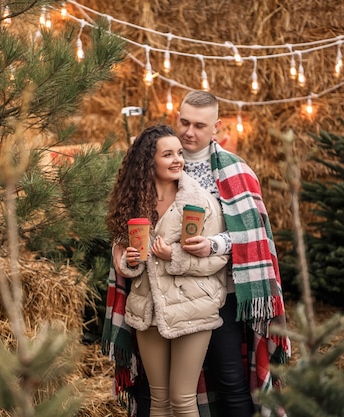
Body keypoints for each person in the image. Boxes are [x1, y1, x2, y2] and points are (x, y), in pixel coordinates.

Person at [176, 90, 291, 416]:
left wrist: (214, 244)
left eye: (200, 125)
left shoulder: (235, 170)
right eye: (184, 122)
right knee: (171, 386)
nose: (189, 132)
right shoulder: (162, 161)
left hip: (222, 292)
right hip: (171, 291)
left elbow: (252, 233)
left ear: (217, 127)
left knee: (229, 376)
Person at [104, 124, 229, 417]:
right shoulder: (133, 205)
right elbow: (123, 259)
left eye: (179, 153)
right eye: (168, 154)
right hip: (148, 310)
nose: (178, 160)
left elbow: (216, 262)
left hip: (193, 307)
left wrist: (174, 255)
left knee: (183, 399)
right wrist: (130, 261)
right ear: (149, 161)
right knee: (159, 399)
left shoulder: (200, 203)